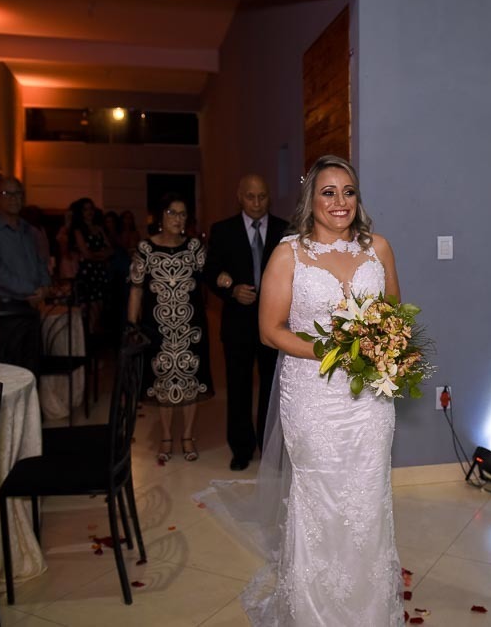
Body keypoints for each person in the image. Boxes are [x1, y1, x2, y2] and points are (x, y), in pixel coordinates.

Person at [236, 154, 403, 625]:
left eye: (348, 192)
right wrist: (334, 350)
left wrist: (383, 349)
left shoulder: (379, 248)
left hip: (369, 401)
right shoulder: (289, 254)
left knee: (368, 498)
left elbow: (394, 315)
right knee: (321, 499)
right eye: (328, 192)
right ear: (311, 199)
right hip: (312, 397)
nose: (339, 201)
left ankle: (368, 610)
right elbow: (270, 331)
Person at [205, 174, 289, 471]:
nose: (256, 203)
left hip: (274, 323)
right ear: (240, 197)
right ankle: (241, 448)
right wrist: (231, 290)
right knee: (238, 386)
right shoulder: (223, 230)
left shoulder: (284, 230)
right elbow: (210, 271)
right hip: (237, 323)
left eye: (262, 196)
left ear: (269, 197)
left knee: (271, 386)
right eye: (251, 197)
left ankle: (269, 447)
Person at [127, 194, 214, 462]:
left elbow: (209, 278)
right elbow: (136, 289)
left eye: (183, 214)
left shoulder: (194, 248)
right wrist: (131, 327)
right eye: (172, 213)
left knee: (190, 381)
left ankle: (187, 437)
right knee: (163, 382)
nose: (178, 219)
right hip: (157, 329)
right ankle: (166, 437)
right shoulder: (146, 249)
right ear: (161, 216)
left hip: (190, 328)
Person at [0, 176, 50, 376]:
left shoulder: (28, 229)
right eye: (7, 193)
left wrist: (44, 287)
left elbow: (40, 261)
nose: (14, 198)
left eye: (18, 193)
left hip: (30, 307)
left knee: (32, 369)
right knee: (10, 372)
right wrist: (31, 291)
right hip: (4, 309)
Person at [70, 197, 112, 332]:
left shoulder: (99, 228)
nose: (89, 212)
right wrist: (101, 255)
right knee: (90, 308)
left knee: (100, 306)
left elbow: (110, 250)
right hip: (87, 273)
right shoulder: (79, 230)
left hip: (99, 271)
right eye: (85, 209)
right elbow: (86, 254)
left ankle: (95, 336)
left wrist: (96, 255)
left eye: (91, 209)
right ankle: (89, 338)